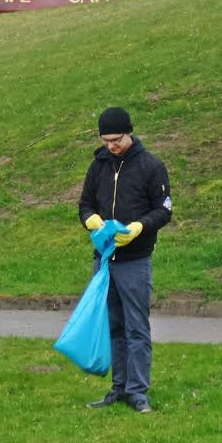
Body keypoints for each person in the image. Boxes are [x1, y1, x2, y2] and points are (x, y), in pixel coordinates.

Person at [79, 107, 172, 414]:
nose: (111, 146)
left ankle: (138, 391)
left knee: (136, 327)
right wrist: (92, 220)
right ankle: (118, 387)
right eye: (105, 140)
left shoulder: (151, 166)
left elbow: (164, 210)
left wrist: (138, 228)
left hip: (135, 260)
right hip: (105, 260)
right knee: (114, 325)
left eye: (116, 139)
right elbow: (85, 204)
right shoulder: (99, 165)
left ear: (129, 132)